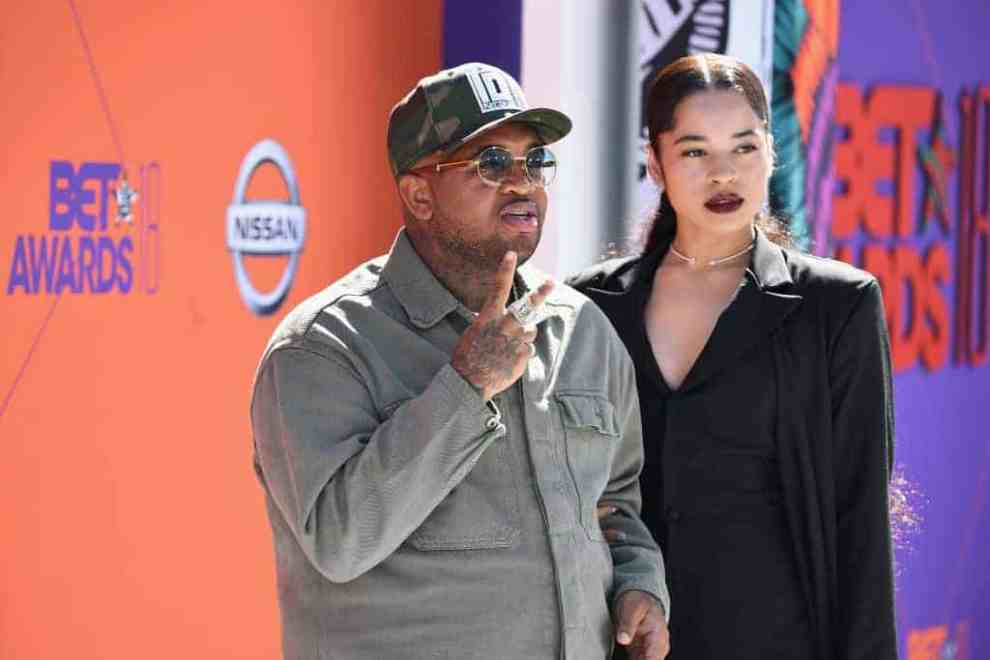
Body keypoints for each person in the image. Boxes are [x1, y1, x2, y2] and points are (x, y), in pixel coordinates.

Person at [250, 62, 670, 660]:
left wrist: (638, 585)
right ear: (419, 194)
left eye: (535, 161)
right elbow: (339, 541)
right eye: (492, 162)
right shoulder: (323, 347)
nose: (522, 182)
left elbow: (615, 500)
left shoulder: (580, 330)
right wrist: (467, 385)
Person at [569, 54, 897, 660]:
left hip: (779, 640)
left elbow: (861, 522)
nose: (723, 173)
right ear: (655, 163)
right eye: (695, 151)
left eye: (744, 147)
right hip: (626, 640)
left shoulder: (836, 305)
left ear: (771, 153)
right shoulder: (592, 305)